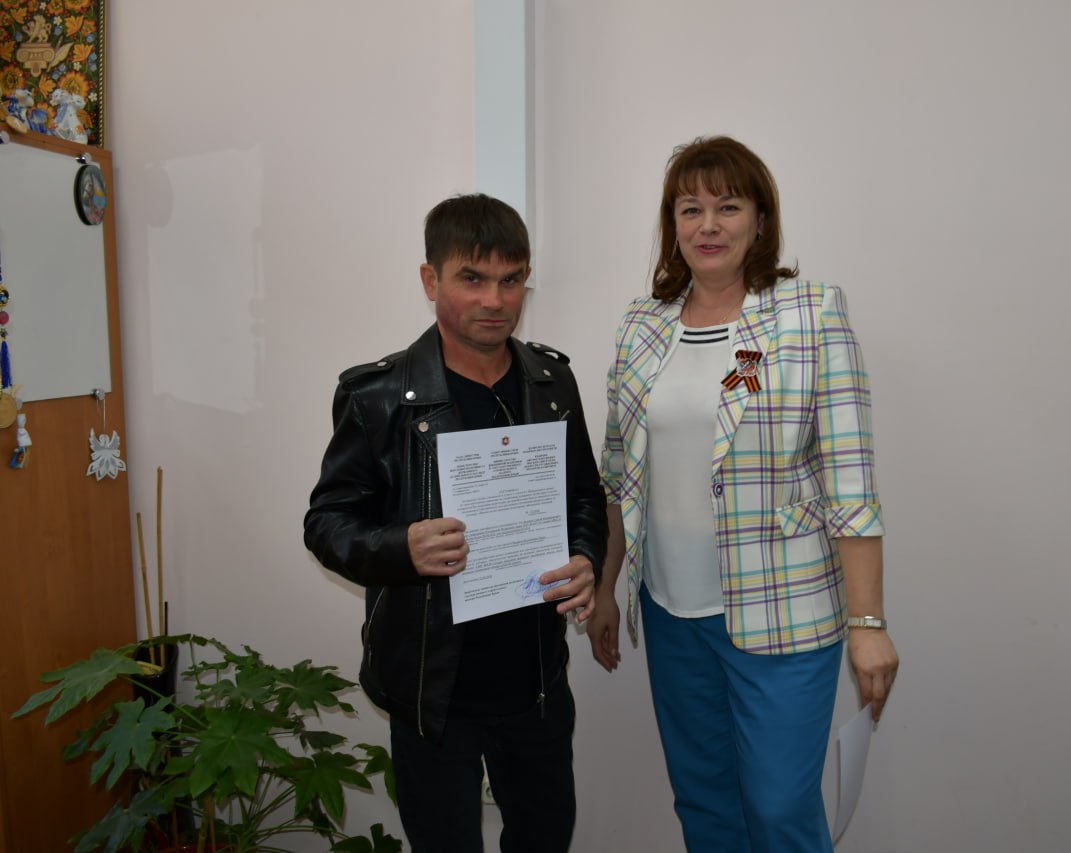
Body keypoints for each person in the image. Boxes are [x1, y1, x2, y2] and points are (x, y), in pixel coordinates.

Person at [588, 136, 899, 852]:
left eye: (728, 206)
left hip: (783, 610)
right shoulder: (642, 327)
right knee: (705, 802)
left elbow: (850, 479)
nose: (708, 225)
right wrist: (606, 586)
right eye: (689, 208)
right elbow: (619, 473)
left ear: (760, 219)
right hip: (670, 612)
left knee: (779, 808)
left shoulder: (807, 314)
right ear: (672, 224)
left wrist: (868, 621)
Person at [304, 194, 607, 853]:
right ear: (430, 279)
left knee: (546, 838)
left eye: (511, 279)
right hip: (431, 691)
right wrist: (399, 547)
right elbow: (326, 523)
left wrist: (585, 558)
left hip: (535, 681)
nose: (494, 300)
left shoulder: (552, 382)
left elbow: (584, 495)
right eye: (472, 278)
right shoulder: (377, 396)